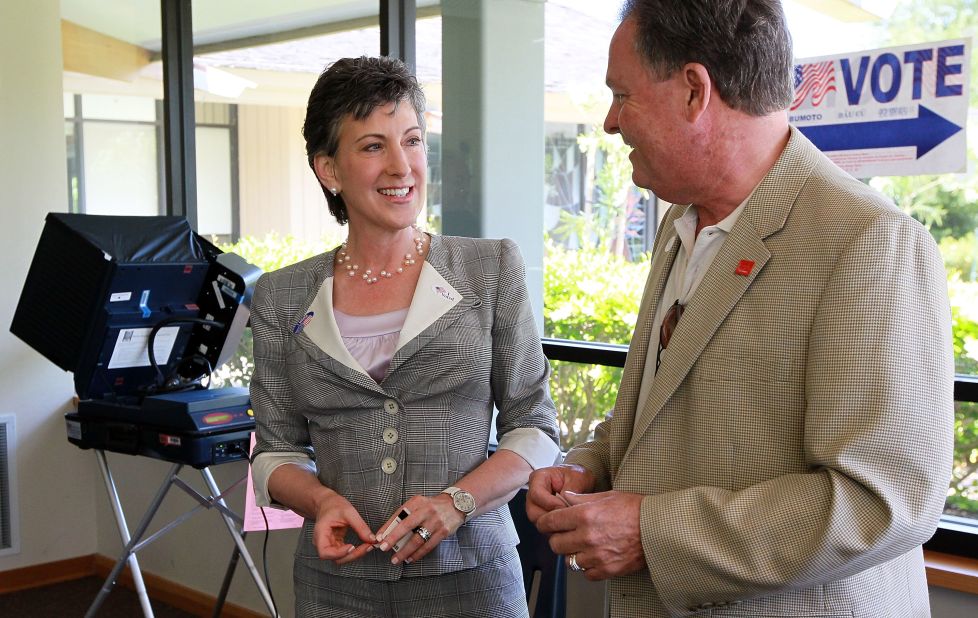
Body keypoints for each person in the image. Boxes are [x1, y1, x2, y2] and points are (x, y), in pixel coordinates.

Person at [527, 1, 954, 616]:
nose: (609, 122)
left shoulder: (868, 241)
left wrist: (651, 530)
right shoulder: (682, 219)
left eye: (622, 95)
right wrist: (592, 467)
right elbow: (665, 410)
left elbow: (884, 501)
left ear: (695, 90)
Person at [249, 56, 560, 618]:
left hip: (473, 584)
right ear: (329, 170)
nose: (402, 166)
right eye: (372, 147)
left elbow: (535, 431)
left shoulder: (488, 268)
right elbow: (274, 453)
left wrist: (456, 503)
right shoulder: (280, 295)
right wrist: (320, 500)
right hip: (337, 588)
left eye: (413, 140)